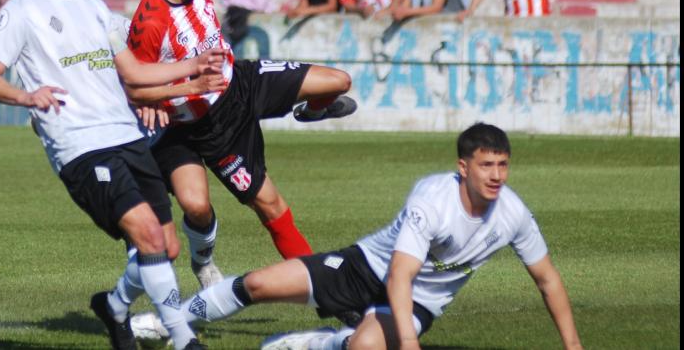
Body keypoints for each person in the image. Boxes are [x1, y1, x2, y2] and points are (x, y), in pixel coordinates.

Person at [0, 0, 222, 350]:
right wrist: (27, 97)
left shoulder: (92, 7)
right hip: (81, 147)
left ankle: (113, 305)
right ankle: (185, 340)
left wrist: (193, 73)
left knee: (165, 247)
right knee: (146, 232)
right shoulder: (21, 12)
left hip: (126, 136)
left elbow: (136, 71)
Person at [130, 123, 584, 350]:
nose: (497, 176)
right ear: (463, 167)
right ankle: (170, 319)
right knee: (259, 284)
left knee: (364, 346)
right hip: (365, 267)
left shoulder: (514, 214)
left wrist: (573, 347)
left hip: (418, 302)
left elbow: (548, 280)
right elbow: (399, 275)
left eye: (503, 165)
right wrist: (408, 345)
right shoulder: (432, 199)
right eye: (487, 165)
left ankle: (315, 343)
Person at [124, 0, 357, 289]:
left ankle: (311, 112)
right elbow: (134, 86)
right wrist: (174, 93)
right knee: (224, 206)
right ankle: (319, 288)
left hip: (242, 83)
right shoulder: (150, 21)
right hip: (198, 127)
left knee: (338, 81)